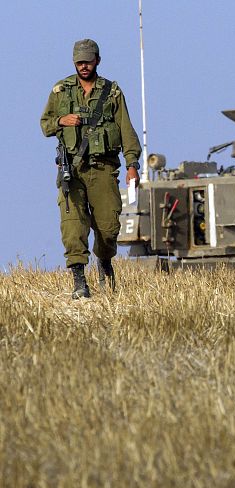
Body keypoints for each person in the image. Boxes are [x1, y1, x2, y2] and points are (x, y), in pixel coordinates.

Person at [41, 39, 142, 299]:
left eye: (88, 60)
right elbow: (45, 125)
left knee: (108, 229)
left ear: (97, 60)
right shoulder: (61, 91)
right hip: (71, 170)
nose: (84, 66)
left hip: (104, 169)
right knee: (73, 226)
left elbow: (126, 130)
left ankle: (104, 261)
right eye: (79, 62)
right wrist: (61, 120)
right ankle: (79, 281)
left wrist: (132, 165)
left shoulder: (112, 92)